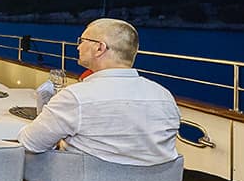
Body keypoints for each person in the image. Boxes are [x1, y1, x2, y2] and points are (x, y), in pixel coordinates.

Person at [17, 18, 180, 166]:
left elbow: (31, 144)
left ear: (99, 48)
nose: (78, 46)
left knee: (18, 160)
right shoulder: (164, 96)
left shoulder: (76, 97)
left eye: (82, 41)